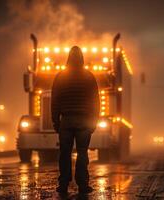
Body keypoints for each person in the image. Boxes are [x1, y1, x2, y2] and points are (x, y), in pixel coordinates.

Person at [51, 46, 100, 195]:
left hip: (66, 120)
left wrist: (55, 121)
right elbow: (95, 101)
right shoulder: (89, 77)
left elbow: (55, 101)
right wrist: (94, 121)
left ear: (68, 58)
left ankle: (63, 184)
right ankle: (83, 185)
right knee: (82, 153)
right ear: (82, 58)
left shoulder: (60, 77)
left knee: (64, 153)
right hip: (84, 121)